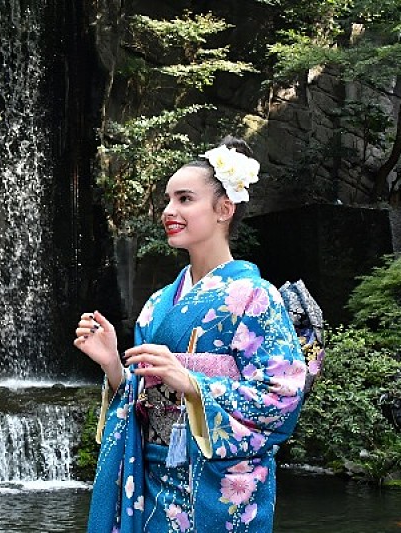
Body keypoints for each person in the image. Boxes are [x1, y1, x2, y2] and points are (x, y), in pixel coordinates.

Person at [74, 137, 307, 532]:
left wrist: (193, 384)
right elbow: (142, 398)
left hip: (221, 486)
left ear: (224, 209)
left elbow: (282, 394)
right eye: (168, 200)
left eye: (184, 199)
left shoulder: (255, 295)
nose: (169, 211)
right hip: (154, 483)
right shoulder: (157, 304)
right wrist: (114, 365)